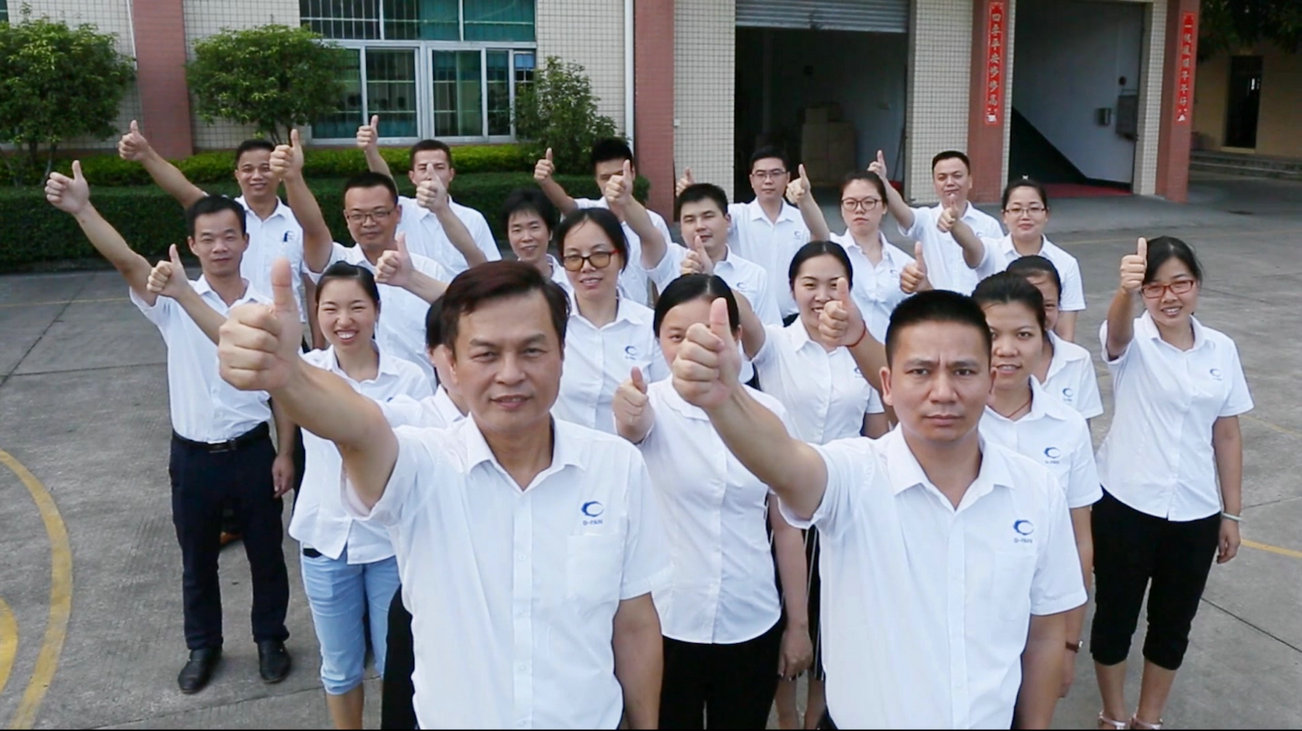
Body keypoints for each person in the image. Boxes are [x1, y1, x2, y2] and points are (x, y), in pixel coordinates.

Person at [217, 259, 670, 729]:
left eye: (532, 350)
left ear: (562, 353)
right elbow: (358, 428)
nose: (510, 373)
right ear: (450, 364)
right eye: (486, 354)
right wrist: (289, 376)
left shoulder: (615, 466)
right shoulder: (420, 464)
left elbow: (634, 621)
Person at [669, 285, 1086, 728]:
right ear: (887, 384)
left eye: (963, 371)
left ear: (989, 381)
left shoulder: (1037, 491)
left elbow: (1044, 633)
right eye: (921, 371)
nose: (943, 392)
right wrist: (727, 400)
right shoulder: (854, 475)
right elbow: (786, 463)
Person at [45, 164, 293, 693]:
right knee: (196, 559)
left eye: (230, 236)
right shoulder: (171, 299)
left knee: (267, 555)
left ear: (246, 240)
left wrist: (285, 452)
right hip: (193, 456)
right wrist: (82, 208)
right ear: (192, 245)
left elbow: (284, 391)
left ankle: (271, 639)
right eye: (209, 238)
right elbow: (126, 260)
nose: (220, 247)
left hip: (252, 450)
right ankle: (203, 646)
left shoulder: (265, 309)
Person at [612, 274, 812, 728]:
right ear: (658, 340)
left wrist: (798, 625)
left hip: (750, 615)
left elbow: (786, 527)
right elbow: (632, 435)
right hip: (668, 621)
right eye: (677, 336)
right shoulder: (646, 406)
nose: (694, 347)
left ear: (737, 336)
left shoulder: (770, 414)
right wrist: (628, 424)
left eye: (709, 333)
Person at [1092, 237, 1252, 731]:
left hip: (1195, 512)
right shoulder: (1132, 338)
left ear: (1196, 285)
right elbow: (1115, 336)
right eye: (1155, 287)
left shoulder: (1221, 349)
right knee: (1115, 617)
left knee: (1173, 624)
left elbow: (1227, 434)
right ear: (1143, 293)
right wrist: (1124, 291)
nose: (1169, 296)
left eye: (1180, 283)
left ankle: (1149, 719)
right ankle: (1113, 715)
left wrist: (1231, 512)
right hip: (1126, 503)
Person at [735, 242, 888, 728]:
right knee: (784, 622)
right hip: (780, 507)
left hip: (844, 508)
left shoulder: (863, 350)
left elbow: (879, 432)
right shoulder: (774, 345)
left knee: (834, 625)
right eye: (809, 284)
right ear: (791, 289)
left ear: (850, 289)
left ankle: (816, 718)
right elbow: (736, 306)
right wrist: (707, 260)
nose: (822, 295)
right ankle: (785, 716)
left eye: (833, 284)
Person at [287, 262, 432, 729]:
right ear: (316, 312)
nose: (343, 320)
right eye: (330, 308)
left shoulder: (410, 378)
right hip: (326, 542)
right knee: (339, 667)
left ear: (377, 310)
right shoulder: (305, 370)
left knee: (397, 662)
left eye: (356, 307)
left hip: (390, 544)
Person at [971, 272, 1101, 700]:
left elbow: (1079, 540)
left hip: (1040, 621)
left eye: (1023, 334)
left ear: (1044, 335)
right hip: (965, 613)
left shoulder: (1068, 427)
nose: (1006, 349)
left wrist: (1069, 642)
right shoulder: (950, 418)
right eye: (992, 335)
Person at [276, 129, 452, 384]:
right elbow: (313, 228)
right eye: (358, 215)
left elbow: (456, 324)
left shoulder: (427, 270)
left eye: (379, 213)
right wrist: (293, 179)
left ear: (398, 213)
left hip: (416, 395)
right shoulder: (337, 264)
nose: (368, 223)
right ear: (346, 218)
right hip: (347, 396)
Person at [117, 122, 312, 333]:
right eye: (248, 169)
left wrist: (319, 345)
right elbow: (183, 190)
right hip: (224, 328)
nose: (256, 176)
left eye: (265, 168)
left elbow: (313, 286)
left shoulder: (300, 222)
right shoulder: (224, 217)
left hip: (285, 333)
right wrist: (146, 154)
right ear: (237, 175)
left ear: (279, 173)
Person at [379, 298, 470, 731]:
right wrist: (287, 374)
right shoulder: (413, 419)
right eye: (456, 351)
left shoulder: (532, 423)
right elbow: (352, 419)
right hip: (426, 606)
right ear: (433, 354)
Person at [551, 207, 669, 434]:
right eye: (574, 258)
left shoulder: (650, 326)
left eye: (599, 255)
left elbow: (666, 405)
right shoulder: (550, 323)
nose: (586, 267)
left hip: (632, 451)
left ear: (621, 257)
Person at [534, 138, 674, 306]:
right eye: (605, 178)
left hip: (636, 314)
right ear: (596, 180)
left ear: (632, 173)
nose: (614, 183)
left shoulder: (653, 222)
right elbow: (565, 203)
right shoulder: (588, 214)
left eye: (619, 175)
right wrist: (546, 182)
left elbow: (662, 276)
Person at [626, 178, 781, 326]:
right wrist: (625, 200)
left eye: (708, 216)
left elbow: (769, 334)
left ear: (727, 220)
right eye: (689, 220)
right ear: (680, 227)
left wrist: (711, 279)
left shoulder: (754, 275)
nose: (699, 226)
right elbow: (646, 231)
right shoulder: (670, 259)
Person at [678, 147, 812, 319]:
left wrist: (806, 199)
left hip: (793, 317)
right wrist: (694, 194)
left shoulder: (801, 219)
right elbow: (711, 216)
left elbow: (821, 237)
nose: (768, 180)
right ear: (751, 180)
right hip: (749, 314)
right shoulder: (738, 214)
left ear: (787, 178)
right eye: (761, 174)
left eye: (775, 173)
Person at [357, 116, 500, 274]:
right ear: (412, 176)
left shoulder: (473, 219)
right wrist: (371, 151)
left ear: (451, 174)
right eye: (423, 168)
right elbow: (385, 184)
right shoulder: (400, 211)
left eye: (439, 167)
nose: (431, 175)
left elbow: (491, 269)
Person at [787, 167, 914, 342]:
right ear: (841, 208)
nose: (859, 209)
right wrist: (805, 198)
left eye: (868, 202)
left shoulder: (904, 263)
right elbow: (818, 231)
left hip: (888, 353)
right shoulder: (832, 251)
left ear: (884, 206)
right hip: (841, 352)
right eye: (850, 203)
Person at [873, 149, 1004, 294]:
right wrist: (883, 182)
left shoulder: (989, 224)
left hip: (976, 304)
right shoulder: (926, 219)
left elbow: (998, 267)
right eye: (942, 178)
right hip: (937, 303)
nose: (950, 182)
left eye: (957, 176)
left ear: (970, 181)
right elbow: (902, 212)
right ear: (934, 184)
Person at [970, 180, 1086, 341]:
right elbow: (968, 243)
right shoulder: (989, 251)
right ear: (1004, 215)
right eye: (1016, 209)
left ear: (1046, 214)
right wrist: (954, 224)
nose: (1025, 216)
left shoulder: (1066, 263)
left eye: (1034, 209)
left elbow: (1066, 333)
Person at [1006, 256, 1104, 422]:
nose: (1039, 314)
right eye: (1028, 304)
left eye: (1048, 305)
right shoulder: (992, 360)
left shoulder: (1077, 359)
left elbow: (1083, 427)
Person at [501, 187, 569, 290]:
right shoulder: (504, 287)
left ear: (550, 232)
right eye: (517, 230)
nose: (526, 238)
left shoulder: (572, 281)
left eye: (534, 227)